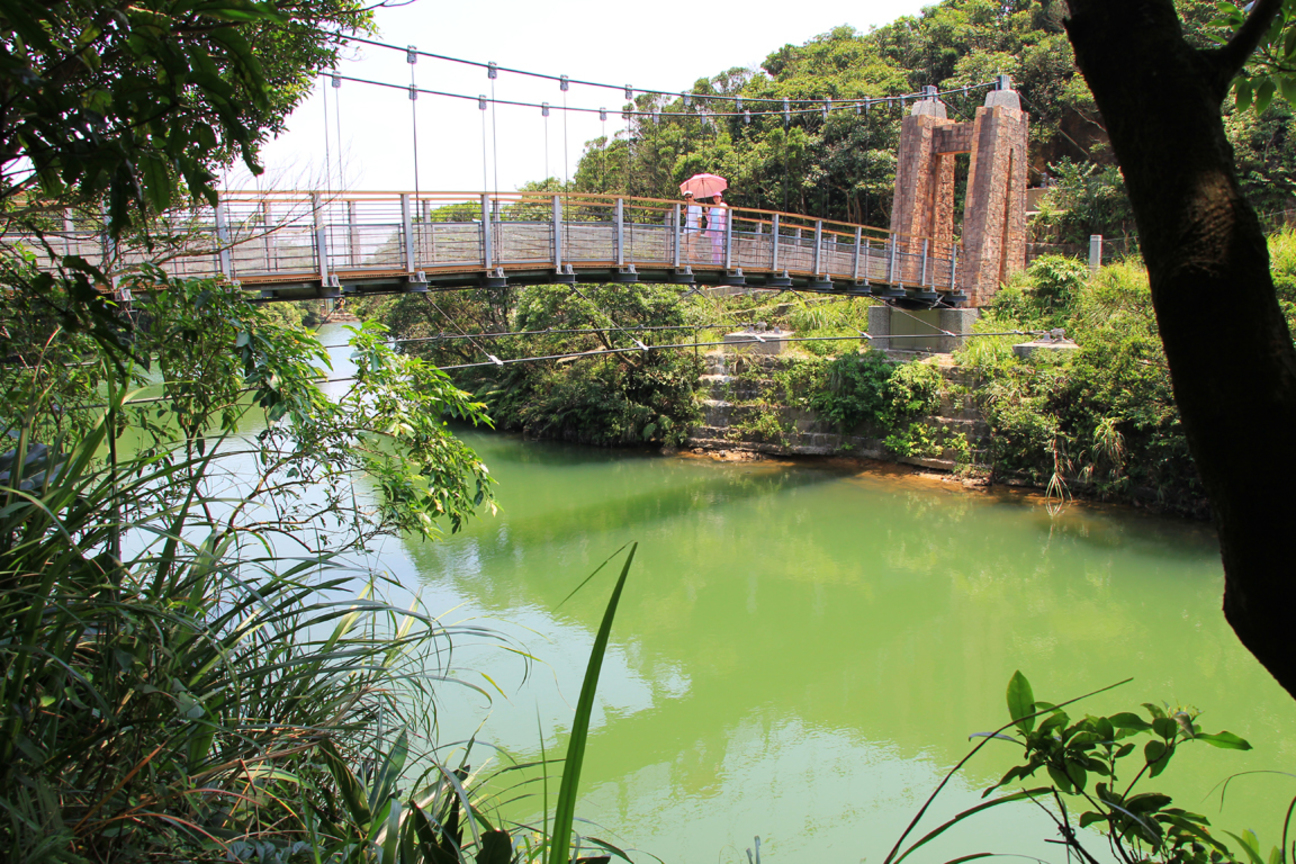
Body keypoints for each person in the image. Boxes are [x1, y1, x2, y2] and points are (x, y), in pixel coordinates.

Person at [682, 190, 704, 263]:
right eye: (687, 197)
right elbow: (687, 217)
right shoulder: (687, 206)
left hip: (694, 229)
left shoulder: (697, 206)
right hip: (687, 229)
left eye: (690, 196)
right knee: (684, 244)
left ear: (693, 197)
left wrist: (699, 230)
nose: (688, 198)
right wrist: (684, 212)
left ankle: (690, 262)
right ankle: (698, 257)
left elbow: (699, 218)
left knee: (691, 246)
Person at [708, 192, 728, 265]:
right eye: (714, 197)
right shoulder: (712, 207)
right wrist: (707, 211)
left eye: (717, 197)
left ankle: (723, 259)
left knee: (718, 244)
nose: (716, 199)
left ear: (720, 198)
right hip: (713, 228)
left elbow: (725, 215)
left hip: (720, 228)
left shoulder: (723, 206)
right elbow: (709, 218)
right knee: (714, 247)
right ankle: (716, 262)